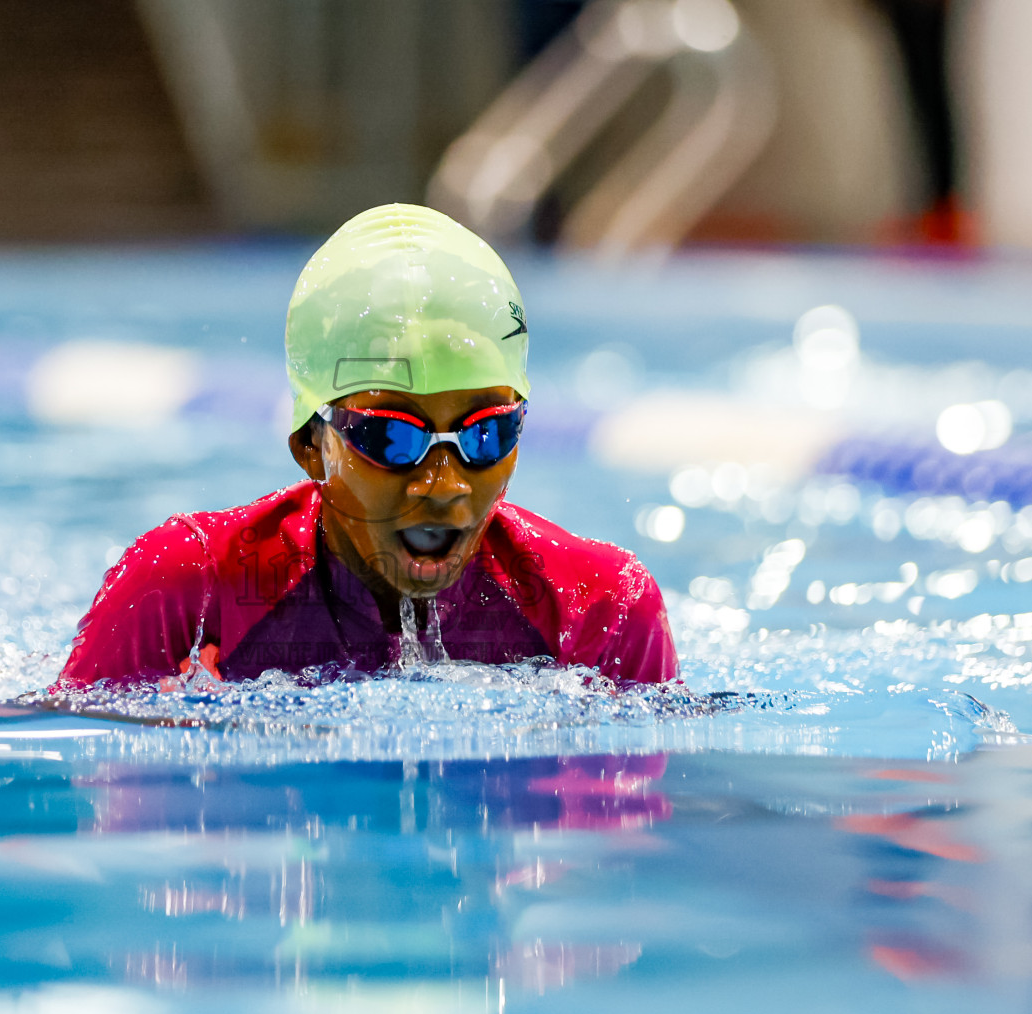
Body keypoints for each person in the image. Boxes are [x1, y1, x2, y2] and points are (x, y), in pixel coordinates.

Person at [57, 203, 677, 690]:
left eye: (486, 431)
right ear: (311, 444)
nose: (445, 485)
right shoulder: (190, 591)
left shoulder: (603, 611)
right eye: (391, 436)